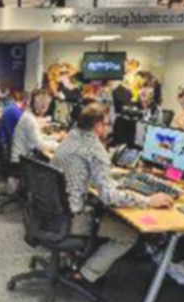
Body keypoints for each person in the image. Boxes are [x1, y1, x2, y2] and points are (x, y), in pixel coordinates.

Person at [52, 103, 174, 285]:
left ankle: (78, 258)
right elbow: (109, 196)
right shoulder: (94, 148)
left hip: (53, 211)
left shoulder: (72, 136)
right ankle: (86, 273)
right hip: (72, 219)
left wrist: (115, 174)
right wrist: (148, 200)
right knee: (129, 234)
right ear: (98, 126)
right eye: (107, 124)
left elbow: (84, 170)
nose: (109, 128)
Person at [10, 89, 58, 164]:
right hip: (19, 162)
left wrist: (53, 138)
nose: (46, 108)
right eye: (44, 105)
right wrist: (59, 147)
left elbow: (37, 137)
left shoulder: (29, 115)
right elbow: (40, 145)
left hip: (24, 156)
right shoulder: (30, 120)